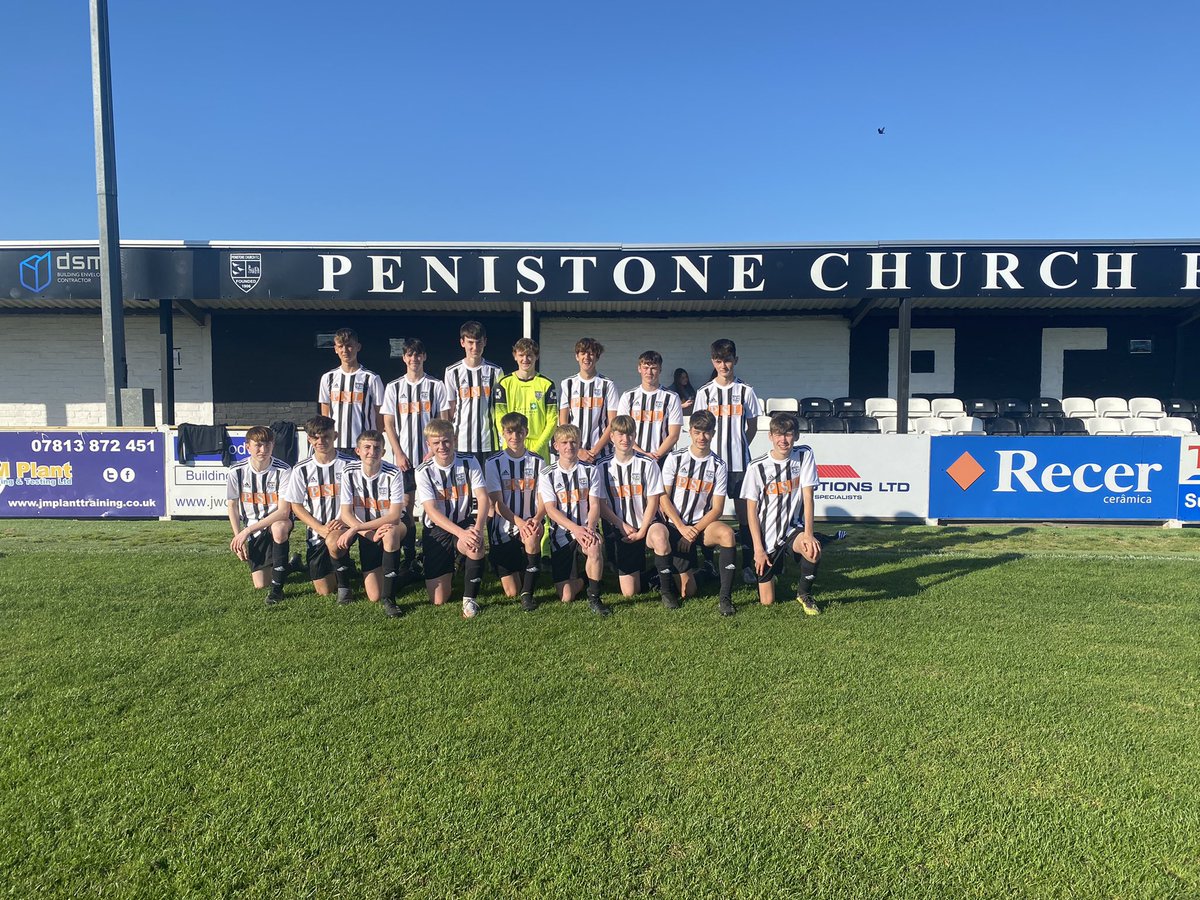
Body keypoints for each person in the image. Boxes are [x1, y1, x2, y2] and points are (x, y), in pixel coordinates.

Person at [692, 338, 761, 582]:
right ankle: (709, 564)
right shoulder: (704, 392)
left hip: (740, 466)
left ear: (736, 361)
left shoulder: (746, 391)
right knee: (710, 515)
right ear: (713, 362)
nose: (724, 365)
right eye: (719, 361)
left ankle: (749, 566)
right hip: (711, 465)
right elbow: (698, 426)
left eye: (728, 360)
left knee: (746, 517)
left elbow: (751, 427)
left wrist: (739, 445)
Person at [658, 410, 739, 616]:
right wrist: (682, 528)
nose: (701, 437)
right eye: (697, 432)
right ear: (689, 431)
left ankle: (725, 598)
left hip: (700, 526)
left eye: (706, 432)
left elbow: (718, 508)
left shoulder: (719, 465)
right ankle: (692, 572)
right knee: (689, 592)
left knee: (728, 534)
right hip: (676, 526)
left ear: (713, 433)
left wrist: (693, 530)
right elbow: (663, 498)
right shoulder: (675, 459)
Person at [595, 415, 680, 608]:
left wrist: (642, 529)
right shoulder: (602, 467)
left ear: (635, 436)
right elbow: (600, 504)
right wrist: (621, 525)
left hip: (648, 524)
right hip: (622, 528)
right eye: (620, 435)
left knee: (659, 537)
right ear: (612, 437)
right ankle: (654, 574)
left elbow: (654, 500)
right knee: (629, 593)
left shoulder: (647, 463)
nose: (625, 439)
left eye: (629, 434)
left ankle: (667, 592)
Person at [381, 337, 450, 573]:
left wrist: (433, 451)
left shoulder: (436, 386)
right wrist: (398, 453)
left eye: (418, 354)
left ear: (424, 357)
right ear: (404, 357)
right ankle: (408, 555)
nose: (414, 359)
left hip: (432, 458)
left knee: (437, 504)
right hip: (405, 459)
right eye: (410, 355)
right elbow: (388, 423)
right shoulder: (394, 387)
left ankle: (436, 550)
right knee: (406, 506)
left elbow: (444, 420)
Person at [742, 412, 821, 613]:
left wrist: (809, 534)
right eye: (778, 434)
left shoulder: (804, 455)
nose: (783, 440)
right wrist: (758, 549)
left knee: (812, 549)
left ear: (796, 436)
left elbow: (808, 497)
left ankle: (804, 593)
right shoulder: (756, 467)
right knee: (767, 602)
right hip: (766, 535)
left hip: (792, 528)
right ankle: (773, 569)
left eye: (787, 434)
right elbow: (751, 511)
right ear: (770, 436)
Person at [413, 418, 491, 618]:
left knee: (475, 543)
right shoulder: (423, 471)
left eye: (446, 441)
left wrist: (477, 528)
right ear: (428, 445)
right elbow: (431, 511)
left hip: (464, 522)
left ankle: (469, 600)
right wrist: (460, 533)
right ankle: (446, 562)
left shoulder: (469, 461)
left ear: (454, 439)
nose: (442, 447)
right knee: (438, 600)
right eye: (436, 443)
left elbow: (483, 497)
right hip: (437, 528)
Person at [538, 423, 611, 617]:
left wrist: (590, 528)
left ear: (579, 444)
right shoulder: (547, 474)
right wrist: (575, 529)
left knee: (594, 546)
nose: (569, 446)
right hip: (561, 533)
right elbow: (550, 510)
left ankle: (595, 598)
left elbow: (595, 504)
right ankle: (585, 579)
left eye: (573, 442)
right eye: (564, 442)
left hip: (586, 527)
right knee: (566, 596)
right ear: (556, 446)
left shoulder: (590, 470)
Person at [281, 415, 356, 602]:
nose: (321, 441)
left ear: (335, 435)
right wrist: (319, 528)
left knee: (333, 541)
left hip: (344, 525)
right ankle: (344, 566)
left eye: (326, 436)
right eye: (315, 437)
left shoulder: (350, 465)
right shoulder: (301, 469)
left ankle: (345, 590)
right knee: (323, 590)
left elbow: (358, 498)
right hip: (316, 532)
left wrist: (342, 519)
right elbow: (296, 506)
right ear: (309, 439)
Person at [336, 430, 408, 618]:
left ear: (383, 452)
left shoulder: (393, 472)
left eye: (377, 448)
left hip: (392, 525)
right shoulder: (348, 472)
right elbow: (346, 512)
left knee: (390, 533)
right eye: (367, 447)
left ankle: (390, 600)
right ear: (358, 451)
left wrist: (357, 528)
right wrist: (368, 533)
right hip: (367, 532)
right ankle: (406, 574)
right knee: (373, 595)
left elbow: (394, 516)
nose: (372, 452)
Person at [484, 412, 546, 611]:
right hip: (504, 528)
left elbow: (544, 499)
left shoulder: (538, 461)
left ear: (526, 432)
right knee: (511, 591)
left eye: (519, 432)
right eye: (509, 432)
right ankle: (512, 564)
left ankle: (528, 595)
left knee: (531, 536)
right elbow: (496, 503)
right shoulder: (493, 462)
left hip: (529, 522)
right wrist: (519, 522)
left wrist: (536, 518)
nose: (514, 437)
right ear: (503, 433)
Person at [226, 425, 294, 605]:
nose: (263, 450)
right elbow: (232, 505)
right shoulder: (236, 471)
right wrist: (237, 536)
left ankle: (277, 590)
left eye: (267, 445)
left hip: (275, 522)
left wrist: (246, 531)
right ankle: (290, 565)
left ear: (273, 446)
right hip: (253, 529)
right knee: (260, 584)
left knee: (279, 528)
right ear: (247, 446)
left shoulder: (284, 470)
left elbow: (283, 511)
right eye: (258, 445)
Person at [444, 320, 505, 468]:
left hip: (489, 442)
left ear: (485, 342)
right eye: (470, 342)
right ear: (462, 342)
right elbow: (450, 409)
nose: (474, 347)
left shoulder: (496, 371)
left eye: (478, 342)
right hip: (462, 441)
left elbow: (500, 408)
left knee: (489, 489)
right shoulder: (452, 371)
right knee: (464, 488)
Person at [318, 328, 384, 453]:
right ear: (335, 349)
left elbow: (379, 416)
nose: (344, 350)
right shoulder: (328, 378)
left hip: (363, 445)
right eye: (340, 346)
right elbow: (325, 415)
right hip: (335, 444)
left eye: (349, 346)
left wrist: (375, 442)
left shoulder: (371, 378)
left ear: (358, 347)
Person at [492, 337, 558, 463]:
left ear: (536, 356)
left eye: (529, 355)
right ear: (515, 356)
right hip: (512, 446)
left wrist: (538, 446)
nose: (525, 359)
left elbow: (552, 420)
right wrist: (510, 440)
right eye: (521, 355)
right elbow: (499, 416)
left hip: (539, 449)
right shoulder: (505, 383)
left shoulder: (547, 384)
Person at [558, 337, 618, 464]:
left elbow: (612, 422)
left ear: (597, 357)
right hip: (574, 452)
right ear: (577, 356)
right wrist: (578, 450)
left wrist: (594, 451)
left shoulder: (608, 384)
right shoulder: (567, 384)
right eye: (583, 353)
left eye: (591, 353)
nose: (587, 357)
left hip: (601, 454)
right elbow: (563, 422)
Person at [617, 350, 683, 463]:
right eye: (645, 368)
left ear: (660, 369)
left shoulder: (672, 397)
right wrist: (643, 454)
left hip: (662, 459)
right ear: (639, 369)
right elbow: (621, 430)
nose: (649, 372)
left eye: (653, 368)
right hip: (633, 456)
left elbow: (674, 435)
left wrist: (655, 456)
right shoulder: (628, 396)